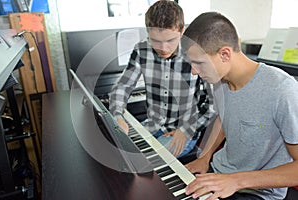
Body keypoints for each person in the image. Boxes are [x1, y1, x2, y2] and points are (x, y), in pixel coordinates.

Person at [181, 12, 298, 200]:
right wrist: (205, 157)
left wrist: (236, 181)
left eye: (199, 63)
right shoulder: (218, 79)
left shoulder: (282, 90)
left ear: (225, 54)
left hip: (256, 192)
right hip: (220, 173)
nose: (194, 72)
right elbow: (224, 118)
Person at [109, 0, 214, 158]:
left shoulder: (197, 54)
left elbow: (213, 104)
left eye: (170, 41)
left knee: (148, 161)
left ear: (182, 31)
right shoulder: (142, 50)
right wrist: (117, 115)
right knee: (120, 152)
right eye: (156, 41)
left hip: (183, 131)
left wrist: (185, 130)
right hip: (152, 125)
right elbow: (122, 87)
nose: (163, 49)